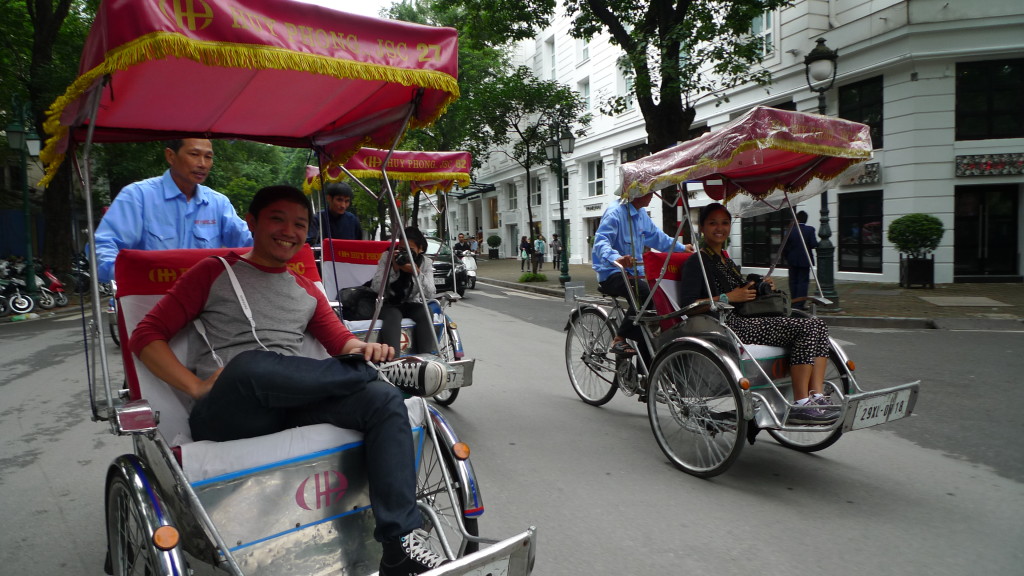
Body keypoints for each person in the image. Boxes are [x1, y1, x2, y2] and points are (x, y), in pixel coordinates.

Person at [130, 185, 448, 575]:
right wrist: (195, 387)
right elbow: (145, 336)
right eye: (277, 219)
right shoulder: (214, 272)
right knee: (251, 364)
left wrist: (366, 351)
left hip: (293, 401)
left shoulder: (304, 290)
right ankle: (378, 376)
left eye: (299, 224)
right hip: (231, 407)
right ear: (252, 223)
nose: (289, 231)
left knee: (383, 400)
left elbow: (342, 342)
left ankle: (399, 544)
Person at [678, 203, 838, 425]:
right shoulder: (697, 261)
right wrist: (726, 298)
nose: (719, 228)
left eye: (724, 223)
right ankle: (801, 404)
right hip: (729, 325)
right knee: (807, 328)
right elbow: (687, 304)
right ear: (702, 228)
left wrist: (761, 284)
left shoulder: (726, 260)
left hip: (750, 319)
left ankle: (816, 397)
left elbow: (743, 292)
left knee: (817, 324)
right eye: (713, 223)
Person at [94, 138, 252, 282]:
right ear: (170, 156)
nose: (202, 164)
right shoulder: (138, 196)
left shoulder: (217, 203)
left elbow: (248, 239)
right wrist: (128, 278)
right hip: (150, 299)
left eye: (208, 157)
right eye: (194, 154)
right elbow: (105, 245)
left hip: (203, 301)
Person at [592, 193, 692, 363]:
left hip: (634, 274)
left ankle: (645, 377)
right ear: (636, 191)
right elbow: (601, 241)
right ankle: (620, 339)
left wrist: (682, 248)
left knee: (653, 316)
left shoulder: (641, 214)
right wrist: (617, 258)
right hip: (612, 272)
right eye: (648, 191)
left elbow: (657, 237)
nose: (652, 195)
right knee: (646, 294)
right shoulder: (615, 212)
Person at [371, 226, 437, 355]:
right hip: (389, 303)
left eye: (410, 250)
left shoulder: (425, 263)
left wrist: (417, 273)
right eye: (401, 249)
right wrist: (393, 270)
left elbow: (430, 293)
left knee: (426, 311)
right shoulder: (388, 256)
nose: (404, 254)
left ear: (420, 249)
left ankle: (425, 357)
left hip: (411, 302)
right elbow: (376, 287)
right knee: (393, 316)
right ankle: (393, 360)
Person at [784, 210, 818, 310]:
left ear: (797, 219)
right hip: (805, 260)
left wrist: (788, 257)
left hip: (792, 260)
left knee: (793, 281)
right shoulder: (810, 229)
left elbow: (785, 247)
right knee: (803, 282)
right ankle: (800, 304)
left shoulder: (790, 230)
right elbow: (813, 244)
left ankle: (794, 302)